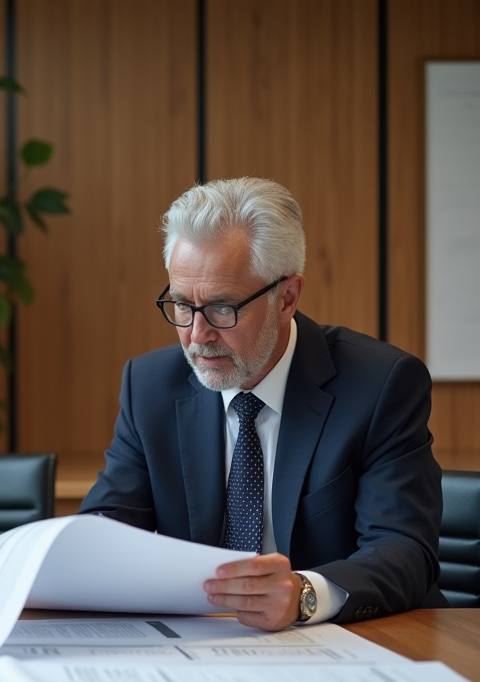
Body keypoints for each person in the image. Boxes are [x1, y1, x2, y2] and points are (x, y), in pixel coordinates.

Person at [80, 177, 446, 631]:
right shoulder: (151, 386)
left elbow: (405, 551)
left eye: (221, 308)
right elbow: (103, 531)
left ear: (287, 298)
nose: (197, 335)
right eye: (180, 305)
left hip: (352, 645)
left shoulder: (380, 385)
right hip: (200, 648)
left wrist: (305, 594)